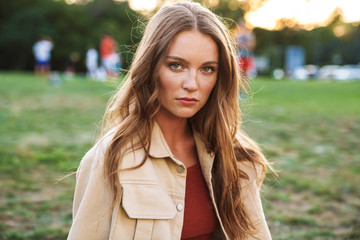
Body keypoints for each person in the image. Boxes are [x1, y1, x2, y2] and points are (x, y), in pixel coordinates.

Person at [68, 1, 272, 239]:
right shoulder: (110, 158)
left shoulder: (236, 157)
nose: (191, 84)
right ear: (151, 67)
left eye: (207, 69)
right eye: (176, 65)